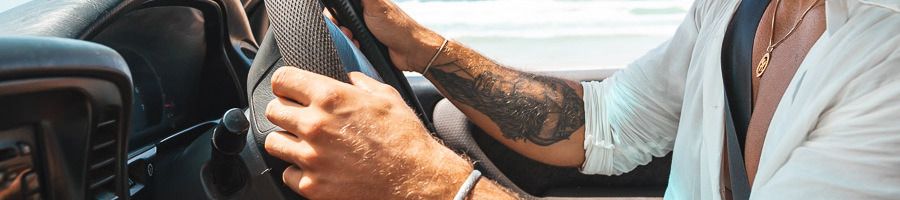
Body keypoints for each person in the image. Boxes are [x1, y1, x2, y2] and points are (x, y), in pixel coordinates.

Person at [262, 0, 900, 199]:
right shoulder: (740, 7)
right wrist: (422, 48)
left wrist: (423, 182)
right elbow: (608, 123)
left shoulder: (885, 64)